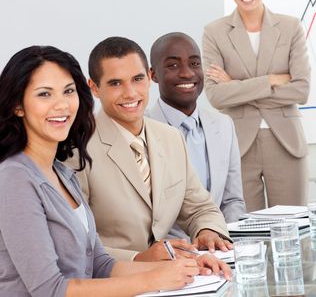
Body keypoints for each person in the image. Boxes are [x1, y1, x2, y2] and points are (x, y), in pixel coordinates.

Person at [0, 46, 231, 297]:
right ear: (17, 105)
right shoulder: (14, 178)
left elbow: (101, 264)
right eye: (44, 94)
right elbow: (49, 289)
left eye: (68, 91)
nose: (62, 105)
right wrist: (153, 278)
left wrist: (185, 266)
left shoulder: (62, 174)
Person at [67, 36, 233, 262]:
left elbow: (200, 208)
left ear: (149, 77)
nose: (130, 93)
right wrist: (139, 258)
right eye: (116, 83)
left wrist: (208, 230)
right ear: (94, 88)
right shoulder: (77, 151)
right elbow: (76, 241)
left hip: (172, 278)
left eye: (137, 79)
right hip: (114, 281)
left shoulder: (170, 138)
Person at [202, 0, 310, 212]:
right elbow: (216, 96)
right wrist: (271, 80)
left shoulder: (290, 27)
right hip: (239, 146)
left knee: (291, 228)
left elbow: (301, 90)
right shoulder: (214, 32)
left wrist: (236, 85)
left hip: (286, 143)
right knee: (246, 232)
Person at [148, 32, 246, 228]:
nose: (187, 73)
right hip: (168, 252)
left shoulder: (223, 125)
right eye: (173, 65)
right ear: (153, 75)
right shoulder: (142, 130)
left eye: (194, 63)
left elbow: (232, 201)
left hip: (220, 247)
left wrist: (224, 239)